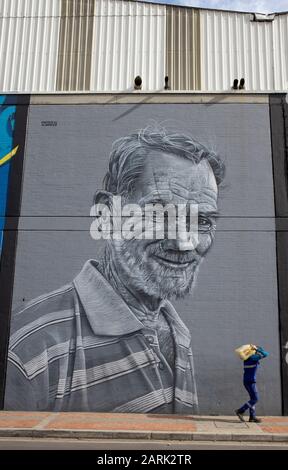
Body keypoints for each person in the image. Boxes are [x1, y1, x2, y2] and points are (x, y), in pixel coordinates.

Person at [4, 125, 225, 413]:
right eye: (158, 214)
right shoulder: (30, 349)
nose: (185, 243)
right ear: (107, 214)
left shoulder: (174, 329)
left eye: (203, 221)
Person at [235, 345, 269, 423]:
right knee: (255, 399)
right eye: (256, 351)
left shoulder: (247, 359)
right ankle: (240, 410)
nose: (257, 353)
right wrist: (258, 349)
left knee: (252, 399)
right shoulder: (253, 358)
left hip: (247, 381)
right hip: (250, 381)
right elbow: (266, 354)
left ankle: (252, 417)